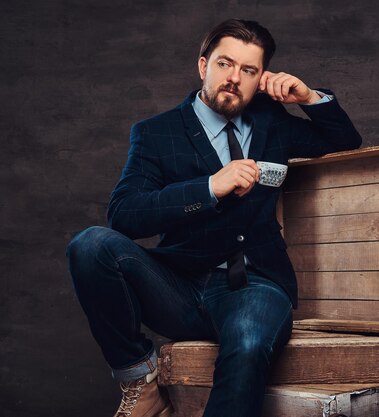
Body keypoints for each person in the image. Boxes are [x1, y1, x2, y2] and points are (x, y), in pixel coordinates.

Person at [66, 18, 361, 417]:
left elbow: (344, 141)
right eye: (225, 64)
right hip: (178, 287)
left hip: (255, 285)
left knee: (249, 344)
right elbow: (125, 214)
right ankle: (141, 380)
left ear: (260, 79)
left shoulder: (272, 123)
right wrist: (208, 188)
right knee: (90, 245)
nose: (234, 78)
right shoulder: (157, 133)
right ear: (203, 66)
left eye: (248, 70)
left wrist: (308, 97)